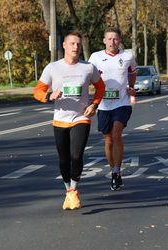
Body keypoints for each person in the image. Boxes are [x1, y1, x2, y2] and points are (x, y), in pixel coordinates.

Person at [33, 31, 105, 210]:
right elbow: (37, 92)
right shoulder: (52, 68)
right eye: (72, 43)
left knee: (76, 155)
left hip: (81, 118)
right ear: (64, 45)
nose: (76, 47)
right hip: (60, 120)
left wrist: (94, 105)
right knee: (64, 159)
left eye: (78, 44)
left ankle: (73, 190)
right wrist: (50, 95)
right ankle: (67, 191)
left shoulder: (88, 68)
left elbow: (100, 87)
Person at [89, 27, 137, 191]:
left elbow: (132, 72)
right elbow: (88, 76)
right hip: (103, 104)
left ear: (120, 40)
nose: (112, 42)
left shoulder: (127, 56)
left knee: (116, 134)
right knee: (108, 139)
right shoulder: (95, 57)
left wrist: (131, 86)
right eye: (109, 39)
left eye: (115, 39)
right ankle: (113, 170)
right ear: (104, 41)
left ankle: (117, 171)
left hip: (121, 103)